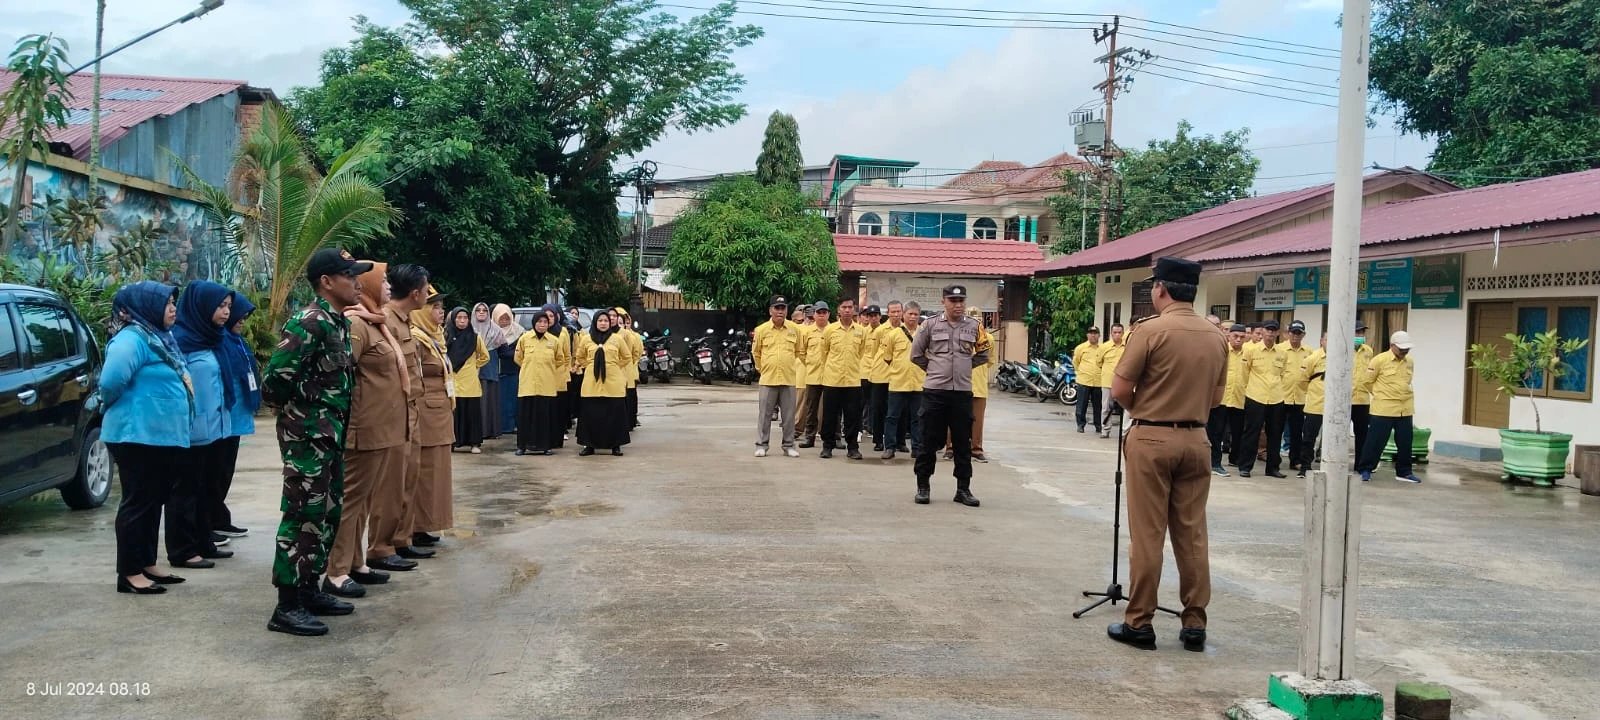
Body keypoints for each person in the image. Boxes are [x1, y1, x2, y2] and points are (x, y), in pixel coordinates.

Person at [1106, 257, 1228, 652]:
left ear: (1161, 289)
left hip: (1152, 439)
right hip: (1197, 440)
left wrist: (1150, 408)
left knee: (1147, 536)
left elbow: (1121, 390)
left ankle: (1139, 622)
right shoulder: (1216, 336)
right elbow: (1216, 398)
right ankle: (1194, 623)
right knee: (1192, 535)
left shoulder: (1150, 331)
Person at [262, 248, 368, 636]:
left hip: (329, 437)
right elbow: (274, 381)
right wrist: (301, 419)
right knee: (302, 515)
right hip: (307, 437)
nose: (357, 281)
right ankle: (286, 604)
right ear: (326, 281)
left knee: (327, 513)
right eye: (349, 275)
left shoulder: (337, 323)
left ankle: (309, 588)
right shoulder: (308, 323)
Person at [102, 281, 194, 594]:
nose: (172, 309)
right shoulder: (131, 339)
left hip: (158, 437)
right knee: (138, 502)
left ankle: (146, 563)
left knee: (153, 501)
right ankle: (128, 572)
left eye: (172, 302)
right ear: (146, 307)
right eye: (166, 303)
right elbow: (111, 381)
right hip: (136, 434)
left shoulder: (157, 336)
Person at [329, 261, 406, 598]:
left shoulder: (377, 323)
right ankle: (335, 571)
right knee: (351, 502)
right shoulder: (358, 324)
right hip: (364, 428)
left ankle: (356, 562)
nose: (388, 286)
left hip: (382, 428)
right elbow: (343, 375)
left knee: (364, 501)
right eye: (383, 281)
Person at [170, 281, 237, 569]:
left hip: (213, 429)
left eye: (228, 307)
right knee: (183, 492)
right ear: (201, 307)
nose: (225, 313)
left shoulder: (214, 338)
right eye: (220, 306)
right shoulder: (181, 341)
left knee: (202, 489)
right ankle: (182, 550)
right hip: (188, 430)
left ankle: (204, 542)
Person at [367, 264, 428, 573]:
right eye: (427, 289)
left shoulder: (406, 320)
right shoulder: (386, 320)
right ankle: (380, 546)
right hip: (392, 411)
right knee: (389, 485)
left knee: (409, 478)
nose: (429, 295)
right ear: (415, 293)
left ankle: (400, 539)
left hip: (411, 409)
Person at [911, 286, 989, 506]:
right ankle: (923, 486)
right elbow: (916, 355)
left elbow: (983, 353)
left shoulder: (975, 327)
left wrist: (964, 367)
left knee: (963, 442)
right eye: (953, 300)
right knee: (928, 440)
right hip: (935, 392)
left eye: (961, 300)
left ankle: (963, 489)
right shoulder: (929, 325)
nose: (958, 305)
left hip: (962, 392)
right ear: (943, 301)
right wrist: (936, 369)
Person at [409, 287, 456, 550]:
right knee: (424, 472)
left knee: (436, 473)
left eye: (441, 308)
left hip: (439, 412)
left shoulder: (434, 336)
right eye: (435, 308)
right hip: (426, 413)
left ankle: (426, 523)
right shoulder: (416, 338)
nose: (441, 313)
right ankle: (415, 526)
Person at [212, 290, 260, 541]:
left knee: (226, 470)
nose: (239, 318)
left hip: (239, 415)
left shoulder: (237, 340)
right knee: (215, 471)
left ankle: (219, 517)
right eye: (237, 314)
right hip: (223, 417)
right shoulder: (219, 341)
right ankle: (211, 521)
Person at [1357, 331, 1420, 484]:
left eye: (1407, 349)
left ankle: (1404, 472)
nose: (1404, 352)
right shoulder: (1379, 360)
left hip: (1404, 408)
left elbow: (1408, 380)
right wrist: (1380, 394)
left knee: (1405, 442)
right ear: (1392, 346)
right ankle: (1366, 469)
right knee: (1375, 441)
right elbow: (1367, 381)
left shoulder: (1409, 361)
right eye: (1401, 349)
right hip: (1383, 408)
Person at [752, 295, 803, 458]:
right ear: (770, 310)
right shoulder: (761, 330)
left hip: (788, 378)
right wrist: (763, 369)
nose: (780, 311)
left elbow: (798, 351)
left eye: (783, 308)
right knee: (765, 415)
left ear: (787, 310)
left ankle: (788, 445)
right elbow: (756, 353)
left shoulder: (795, 329)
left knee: (788, 416)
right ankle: (762, 445)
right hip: (768, 379)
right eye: (777, 308)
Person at [1237, 320, 1288, 479]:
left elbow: (1283, 374)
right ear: (1262, 331)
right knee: (1251, 433)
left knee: (1275, 434)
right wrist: (1249, 391)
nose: (1270, 333)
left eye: (1273, 330)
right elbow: (1244, 374)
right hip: (1255, 396)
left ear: (1277, 333)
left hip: (1276, 398)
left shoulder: (1281, 353)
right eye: (1268, 330)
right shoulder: (1251, 351)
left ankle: (1273, 468)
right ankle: (1245, 467)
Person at [818, 298, 868, 460]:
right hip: (832, 379)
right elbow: (823, 353)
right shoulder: (829, 330)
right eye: (844, 307)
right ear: (838, 310)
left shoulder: (861, 331)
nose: (847, 310)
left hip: (853, 380)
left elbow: (860, 352)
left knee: (853, 416)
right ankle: (827, 446)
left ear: (854, 310)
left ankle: (853, 447)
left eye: (850, 307)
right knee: (830, 415)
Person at [575, 311, 631, 455]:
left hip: (612, 382)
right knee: (591, 414)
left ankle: (615, 445)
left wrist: (613, 366)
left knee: (613, 414)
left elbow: (626, 356)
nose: (603, 323)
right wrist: (590, 365)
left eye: (606, 320)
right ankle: (589, 445)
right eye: (600, 320)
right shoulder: (586, 339)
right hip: (591, 383)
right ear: (595, 322)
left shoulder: (617, 339)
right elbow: (580, 357)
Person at [515, 312, 568, 455]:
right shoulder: (525, 339)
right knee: (525, 416)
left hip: (546, 385)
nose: (542, 325)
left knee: (544, 417)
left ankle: (545, 446)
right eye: (539, 322)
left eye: (545, 322)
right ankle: (523, 446)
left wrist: (547, 370)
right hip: (528, 384)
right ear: (534, 323)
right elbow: (518, 358)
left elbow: (560, 360)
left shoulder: (554, 341)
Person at [879, 302, 924, 460]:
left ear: (919, 316)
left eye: (915, 314)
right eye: (910, 314)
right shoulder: (894, 334)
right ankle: (890, 447)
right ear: (903, 314)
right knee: (892, 416)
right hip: (898, 382)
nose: (912, 317)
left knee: (917, 418)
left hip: (918, 382)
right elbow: (887, 357)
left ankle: (917, 448)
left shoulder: (924, 334)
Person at [446, 306, 490, 454]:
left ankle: (474, 443)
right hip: (453, 380)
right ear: (453, 319)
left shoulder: (474, 337)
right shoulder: (446, 336)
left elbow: (485, 356)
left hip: (470, 381)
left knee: (472, 412)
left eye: (465, 318)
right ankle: (453, 442)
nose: (462, 321)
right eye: (459, 318)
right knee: (454, 413)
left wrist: (473, 365)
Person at [1208, 324, 1248, 476]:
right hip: (1221, 398)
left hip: (1240, 398)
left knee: (1238, 432)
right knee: (1216, 432)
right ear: (1229, 336)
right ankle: (1215, 463)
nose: (1238, 339)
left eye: (1242, 337)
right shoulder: (1221, 350)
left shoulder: (1249, 352)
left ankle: (1235, 459)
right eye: (1235, 336)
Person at [1278, 321, 1313, 473]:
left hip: (1299, 397)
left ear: (1303, 335)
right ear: (1287, 333)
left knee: (1297, 432)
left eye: (1298, 333)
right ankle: (1274, 460)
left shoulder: (1309, 352)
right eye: (1292, 332)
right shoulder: (1279, 349)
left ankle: (1295, 460)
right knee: (1275, 430)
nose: (1295, 336)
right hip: (1280, 396)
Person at [1294, 331, 1329, 479]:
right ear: (1322, 341)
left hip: (1334, 407)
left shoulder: (1343, 358)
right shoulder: (1312, 358)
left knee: (1333, 439)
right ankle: (1305, 467)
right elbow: (1302, 381)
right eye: (1328, 340)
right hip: (1315, 404)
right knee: (1309, 437)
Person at [796, 302, 831, 448]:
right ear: (814, 314)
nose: (821, 315)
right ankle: (809, 436)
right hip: (812, 375)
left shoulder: (834, 330)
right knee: (811, 407)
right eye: (819, 312)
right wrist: (811, 363)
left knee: (830, 407)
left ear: (829, 314)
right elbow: (801, 352)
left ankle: (831, 436)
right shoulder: (807, 332)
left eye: (824, 312)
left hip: (831, 376)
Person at [471, 303, 505, 440]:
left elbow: (503, 350)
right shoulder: (468, 329)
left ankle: (489, 430)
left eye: (484, 310)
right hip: (471, 369)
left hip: (489, 368)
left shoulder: (495, 330)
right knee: (475, 400)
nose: (481, 312)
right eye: (478, 310)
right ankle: (476, 431)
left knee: (488, 398)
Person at [858, 305, 887, 450]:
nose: (873, 318)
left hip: (879, 373)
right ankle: (859, 430)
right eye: (871, 315)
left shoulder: (886, 331)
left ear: (880, 317)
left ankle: (878, 437)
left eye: (876, 315)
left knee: (877, 406)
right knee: (860, 404)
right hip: (863, 371)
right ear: (867, 318)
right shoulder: (863, 332)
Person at [492, 304, 523, 434]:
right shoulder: (490, 332)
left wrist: (507, 353)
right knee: (500, 402)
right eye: (501, 319)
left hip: (514, 371)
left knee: (513, 401)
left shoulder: (519, 332)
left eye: (507, 319)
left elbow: (520, 351)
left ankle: (512, 426)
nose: (504, 322)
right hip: (497, 372)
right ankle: (501, 427)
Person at [613, 308, 644, 429]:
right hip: (613, 373)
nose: (622, 325)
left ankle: (630, 421)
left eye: (624, 322)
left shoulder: (632, 336)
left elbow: (636, 353)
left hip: (628, 370)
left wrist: (630, 364)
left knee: (629, 397)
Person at [1073, 327, 1105, 434]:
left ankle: (1098, 425)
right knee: (1082, 404)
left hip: (1098, 381)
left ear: (1099, 335)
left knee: (1098, 405)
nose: (1093, 335)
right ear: (1087, 335)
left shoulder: (1103, 348)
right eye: (1091, 333)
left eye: (1095, 333)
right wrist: (1080, 373)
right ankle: (1081, 425)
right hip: (1084, 380)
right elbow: (1076, 362)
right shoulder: (1080, 348)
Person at [1351, 320, 1374, 460]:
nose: (1360, 335)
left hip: (1363, 400)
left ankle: (1360, 464)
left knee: (1362, 434)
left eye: (1362, 332)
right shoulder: (1342, 348)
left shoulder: (1368, 351)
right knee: (1338, 434)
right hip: (1345, 399)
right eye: (1357, 332)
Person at [1098, 323, 1127, 438]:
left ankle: (1125, 431)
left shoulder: (1128, 347)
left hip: (1123, 382)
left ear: (1123, 333)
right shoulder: (1104, 347)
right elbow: (1099, 363)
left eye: (1119, 332)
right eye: (1115, 332)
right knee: (1106, 407)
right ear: (1111, 333)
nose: (1117, 335)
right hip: (1107, 381)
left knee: (1126, 408)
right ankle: (1105, 430)